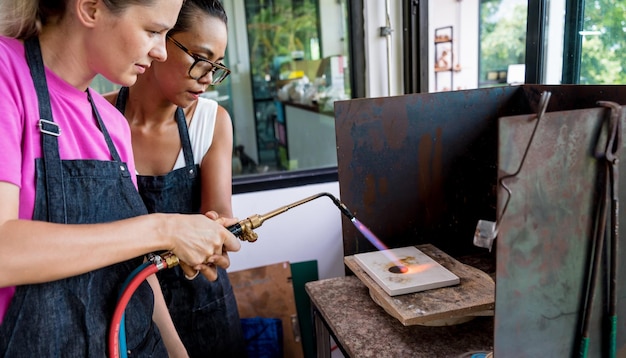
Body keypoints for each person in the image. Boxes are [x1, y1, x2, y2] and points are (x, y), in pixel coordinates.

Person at [0, 1, 241, 356]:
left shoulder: (111, 126)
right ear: (92, 8)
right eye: (154, 31)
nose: (159, 51)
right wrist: (165, 230)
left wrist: (175, 349)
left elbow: (135, 267)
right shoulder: (8, 75)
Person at [105, 1, 247, 356]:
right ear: (159, 37)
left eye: (216, 66)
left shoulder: (211, 122)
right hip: (131, 311)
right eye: (200, 58)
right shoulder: (101, 119)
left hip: (205, 306)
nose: (207, 78)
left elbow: (216, 213)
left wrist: (217, 235)